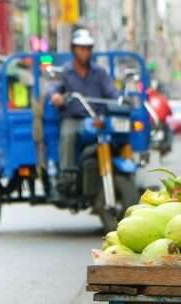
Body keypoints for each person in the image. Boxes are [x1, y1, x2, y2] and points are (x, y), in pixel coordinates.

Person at [50, 28, 118, 194]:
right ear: (73, 49)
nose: (85, 52)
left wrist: (121, 99)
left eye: (88, 48)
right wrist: (56, 97)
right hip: (74, 118)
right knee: (68, 134)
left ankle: (118, 169)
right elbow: (55, 89)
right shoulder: (66, 72)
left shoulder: (100, 73)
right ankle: (67, 175)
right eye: (81, 48)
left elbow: (112, 93)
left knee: (117, 134)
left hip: (97, 119)